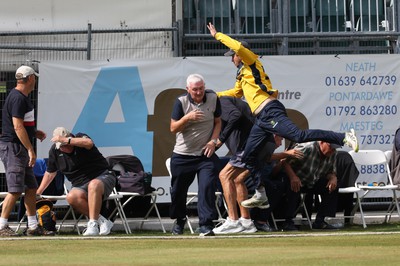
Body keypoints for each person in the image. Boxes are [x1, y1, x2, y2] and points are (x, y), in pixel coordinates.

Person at [207, 22, 359, 208]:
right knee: (248, 155)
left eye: (232, 57)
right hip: (261, 120)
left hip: (270, 110)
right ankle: (260, 193)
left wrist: (217, 35)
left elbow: (237, 46)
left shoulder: (251, 60)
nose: (231, 59)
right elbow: (236, 93)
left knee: (298, 136)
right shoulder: (242, 74)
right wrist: (214, 95)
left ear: (240, 55)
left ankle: (343, 136)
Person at [36, 127, 115, 236]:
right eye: (62, 146)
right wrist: (38, 192)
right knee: (71, 197)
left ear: (71, 138)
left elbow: (88, 143)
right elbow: (50, 173)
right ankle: (102, 221)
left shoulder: (80, 138)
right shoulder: (54, 151)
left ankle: (92, 224)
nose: (65, 148)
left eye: (67, 145)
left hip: (103, 176)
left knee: (94, 184)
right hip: (80, 185)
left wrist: (65, 140)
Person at [169, 73, 221, 236]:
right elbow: (173, 128)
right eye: (195, 90)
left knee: (206, 187)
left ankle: (206, 224)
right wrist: (187, 118)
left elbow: (218, 122)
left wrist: (213, 141)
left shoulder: (213, 98)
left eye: (201, 88)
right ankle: (179, 220)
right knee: (177, 191)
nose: (199, 92)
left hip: (205, 155)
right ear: (188, 89)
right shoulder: (181, 102)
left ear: (204, 86)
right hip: (182, 155)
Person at [0, 65, 49, 237]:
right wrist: (30, 149)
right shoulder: (18, 98)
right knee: (15, 189)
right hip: (14, 148)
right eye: (34, 77)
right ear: (29, 79)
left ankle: (33, 226)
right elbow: (17, 126)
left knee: (30, 188)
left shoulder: (21, 97)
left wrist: (34, 132)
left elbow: (20, 125)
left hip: (18, 147)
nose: (35, 81)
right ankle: (2, 226)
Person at [213, 96, 258, 234]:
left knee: (224, 176)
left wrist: (221, 139)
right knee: (238, 180)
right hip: (252, 146)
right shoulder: (219, 110)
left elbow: (236, 115)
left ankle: (233, 221)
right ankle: (247, 221)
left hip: (249, 146)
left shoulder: (221, 101)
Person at [281, 141, 340, 230]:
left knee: (332, 187)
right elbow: (285, 161)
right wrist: (293, 176)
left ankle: (320, 221)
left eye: (334, 148)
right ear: (321, 143)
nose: (332, 150)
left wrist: (333, 178)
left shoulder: (333, 154)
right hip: (296, 178)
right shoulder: (308, 148)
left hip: (312, 180)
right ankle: (288, 222)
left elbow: (330, 172)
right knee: (294, 186)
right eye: (330, 147)